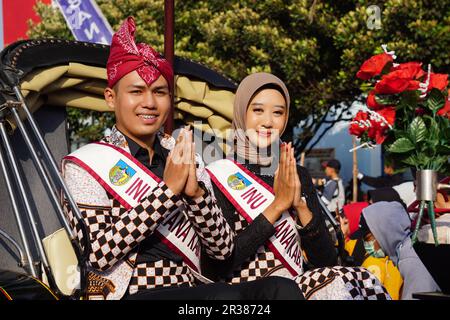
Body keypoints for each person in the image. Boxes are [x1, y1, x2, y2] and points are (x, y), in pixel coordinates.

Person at [61, 17, 303, 300]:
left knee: (281, 289)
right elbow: (97, 255)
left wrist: (196, 195)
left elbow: (223, 250)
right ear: (111, 98)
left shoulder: (184, 154)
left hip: (191, 288)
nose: (149, 103)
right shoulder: (86, 164)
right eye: (136, 91)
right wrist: (167, 192)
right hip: (127, 293)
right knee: (222, 300)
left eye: (159, 92)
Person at [204, 72, 391, 300]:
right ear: (241, 112)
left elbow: (325, 261)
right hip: (243, 295)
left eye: (278, 112)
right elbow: (219, 264)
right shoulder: (219, 175)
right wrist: (277, 206)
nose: (268, 121)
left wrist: (301, 207)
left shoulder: (296, 173)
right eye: (258, 110)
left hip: (295, 288)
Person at [354, 201, 440, 299]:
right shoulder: (408, 251)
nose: (366, 244)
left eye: (367, 238)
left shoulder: (410, 258)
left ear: (383, 233)